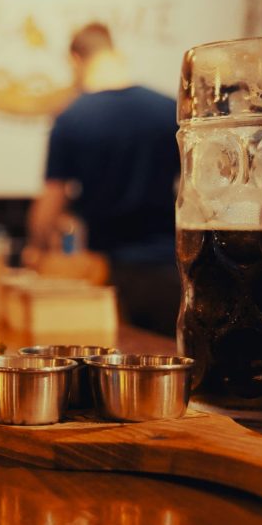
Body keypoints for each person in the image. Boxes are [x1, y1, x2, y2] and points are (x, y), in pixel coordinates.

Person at [26, 22, 180, 336]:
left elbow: (50, 205)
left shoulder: (71, 119)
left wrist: (35, 250)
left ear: (75, 60)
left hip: (109, 274)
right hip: (170, 268)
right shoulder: (169, 111)